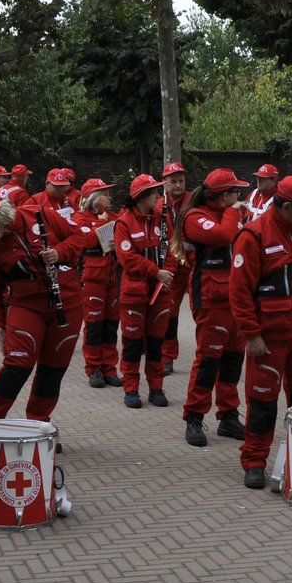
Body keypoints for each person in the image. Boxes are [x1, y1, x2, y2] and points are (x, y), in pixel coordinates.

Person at [228, 175, 292, 489]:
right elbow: (239, 292)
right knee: (262, 403)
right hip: (270, 339)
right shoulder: (254, 236)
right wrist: (252, 334)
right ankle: (254, 461)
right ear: (286, 207)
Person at [0, 188, 94, 422]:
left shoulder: (41, 215)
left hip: (66, 304)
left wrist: (59, 252)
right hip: (25, 306)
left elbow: (78, 237)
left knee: (53, 369)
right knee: (17, 364)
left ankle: (38, 426)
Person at [178, 168, 250, 446]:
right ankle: (194, 417)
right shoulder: (196, 217)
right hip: (211, 299)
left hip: (236, 299)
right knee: (208, 360)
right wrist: (233, 211)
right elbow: (223, 236)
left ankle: (228, 416)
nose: (239, 196)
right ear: (223, 196)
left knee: (233, 360)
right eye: (235, 192)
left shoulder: (229, 214)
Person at [113, 173, 176, 408]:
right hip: (134, 293)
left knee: (156, 342)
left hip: (160, 291)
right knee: (132, 344)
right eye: (154, 193)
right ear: (141, 196)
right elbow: (127, 259)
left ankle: (156, 387)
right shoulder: (124, 222)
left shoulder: (162, 218)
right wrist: (155, 271)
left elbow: (172, 250)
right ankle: (130, 389)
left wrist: (167, 274)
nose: (158, 197)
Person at [76, 179, 122, 388]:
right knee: (94, 326)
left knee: (111, 326)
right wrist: (102, 224)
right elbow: (87, 241)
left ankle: (110, 368)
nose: (110, 198)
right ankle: (93, 368)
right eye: (105, 194)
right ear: (94, 198)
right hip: (93, 280)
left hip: (113, 278)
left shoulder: (114, 217)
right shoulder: (80, 219)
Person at [160, 161, 192, 375]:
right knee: (169, 313)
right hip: (171, 266)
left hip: (192, 264)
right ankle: (167, 356)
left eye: (180, 181)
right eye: (173, 181)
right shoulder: (157, 204)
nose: (177, 185)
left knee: (201, 311)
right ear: (165, 183)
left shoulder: (193, 201)